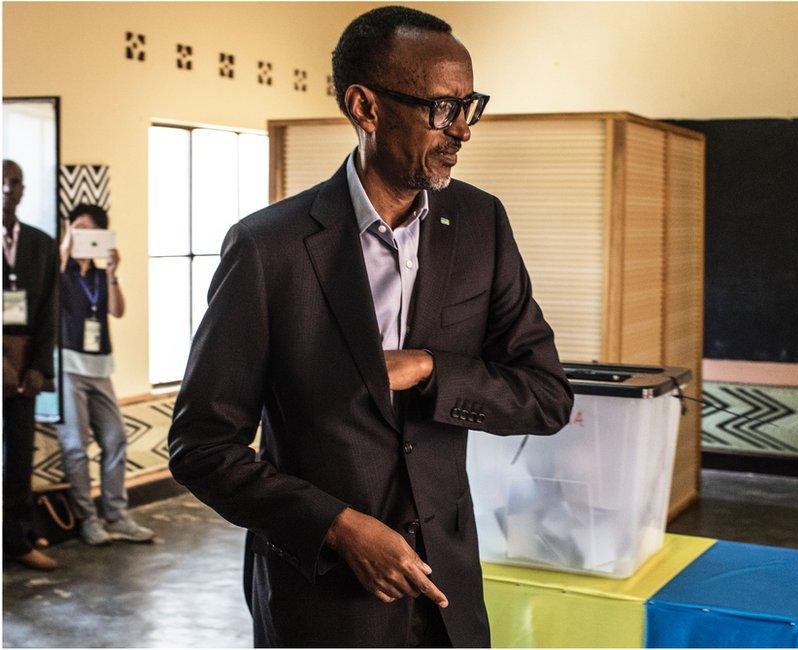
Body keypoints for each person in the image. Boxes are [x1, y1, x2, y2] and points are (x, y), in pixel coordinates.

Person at [168, 6, 573, 647]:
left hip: (448, 596)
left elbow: (548, 396)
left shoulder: (481, 225)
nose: (463, 130)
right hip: (319, 601)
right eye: (444, 109)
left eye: (472, 105)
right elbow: (201, 448)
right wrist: (337, 526)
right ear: (366, 107)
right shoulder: (267, 249)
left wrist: (432, 369)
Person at [56, 204, 154, 545]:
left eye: (89, 230)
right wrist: (65, 249)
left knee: (115, 438)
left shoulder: (100, 276)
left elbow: (117, 309)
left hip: (100, 368)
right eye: (76, 228)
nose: (83, 235)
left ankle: (116, 514)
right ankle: (88, 520)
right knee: (76, 446)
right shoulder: (60, 271)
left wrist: (112, 272)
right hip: (67, 367)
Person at [2, 159, 59, 571]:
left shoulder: (42, 243)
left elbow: (49, 310)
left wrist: (38, 365)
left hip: (25, 366)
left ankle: (19, 541)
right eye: (2, 180)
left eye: (15, 181)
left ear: (24, 189)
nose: (8, 187)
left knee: (20, 454)